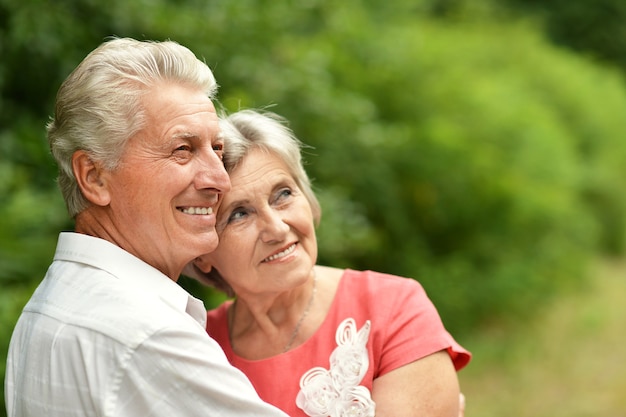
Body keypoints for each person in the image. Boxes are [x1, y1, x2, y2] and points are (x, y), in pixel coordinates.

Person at [4, 38, 289, 417]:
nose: (219, 180)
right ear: (94, 177)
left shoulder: (49, 305)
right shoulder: (147, 335)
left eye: (216, 149)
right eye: (182, 150)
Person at [187, 109, 472, 417]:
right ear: (201, 252)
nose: (278, 228)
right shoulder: (193, 348)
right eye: (239, 214)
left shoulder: (393, 307)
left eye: (282, 194)